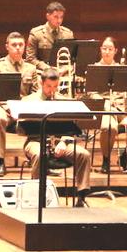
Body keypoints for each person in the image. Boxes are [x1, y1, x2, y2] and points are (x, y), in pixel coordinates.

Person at [20, 68, 92, 206]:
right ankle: (37, 197)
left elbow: (70, 128)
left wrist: (64, 142)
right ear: (41, 83)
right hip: (36, 141)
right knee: (40, 154)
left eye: (55, 86)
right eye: (48, 86)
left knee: (84, 154)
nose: (52, 90)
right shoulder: (28, 101)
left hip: (60, 142)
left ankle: (81, 197)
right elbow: (22, 127)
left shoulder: (64, 101)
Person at [0, 32, 40, 176]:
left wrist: (23, 106)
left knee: (43, 114)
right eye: (14, 45)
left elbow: (36, 94)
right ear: (7, 47)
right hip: (4, 108)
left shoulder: (31, 68)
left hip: (24, 109)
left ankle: (39, 157)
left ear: (24, 47)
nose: (17, 48)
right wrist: (8, 107)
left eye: (20, 45)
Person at [88, 37, 127, 174]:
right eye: (104, 48)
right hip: (104, 109)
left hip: (121, 108)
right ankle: (106, 160)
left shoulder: (122, 69)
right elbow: (91, 93)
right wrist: (104, 104)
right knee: (109, 127)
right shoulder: (94, 68)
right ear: (100, 50)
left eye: (110, 49)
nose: (107, 52)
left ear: (115, 51)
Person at [25, 1, 74, 71]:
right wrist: (47, 68)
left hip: (63, 73)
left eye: (61, 17)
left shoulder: (68, 34)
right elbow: (30, 59)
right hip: (42, 73)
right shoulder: (36, 33)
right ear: (48, 16)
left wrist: (65, 69)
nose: (59, 20)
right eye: (56, 17)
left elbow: (72, 59)